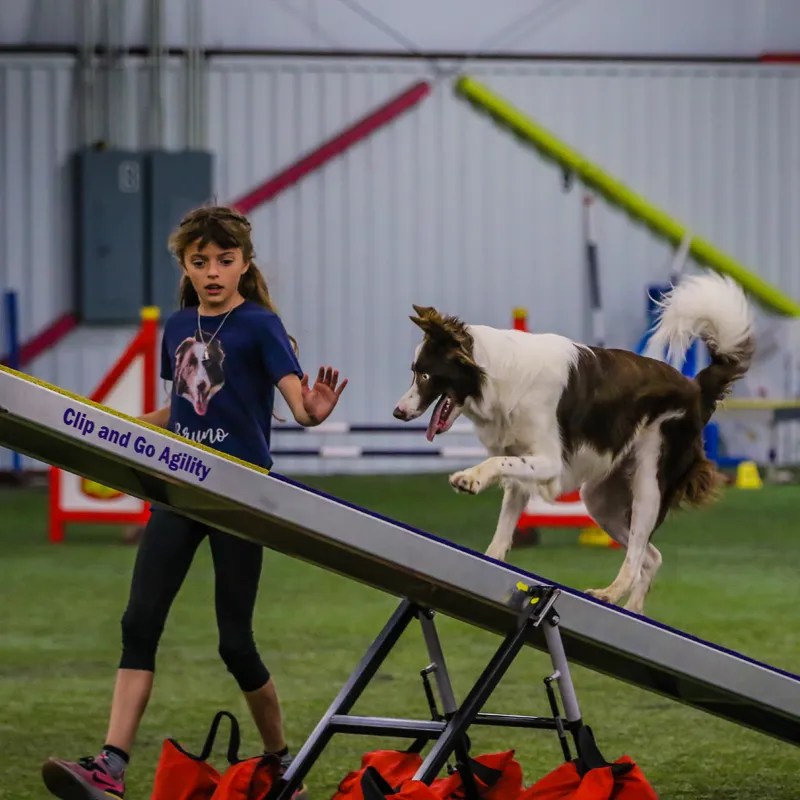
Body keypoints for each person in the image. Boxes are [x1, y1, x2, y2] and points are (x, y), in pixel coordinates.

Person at [42, 205, 348, 800]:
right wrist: (107, 427)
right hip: (179, 493)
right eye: (200, 261)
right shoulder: (178, 325)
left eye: (224, 261)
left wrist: (315, 407)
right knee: (138, 622)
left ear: (244, 264)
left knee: (235, 643)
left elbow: (303, 409)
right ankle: (110, 765)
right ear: (185, 264)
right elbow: (179, 410)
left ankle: (281, 765)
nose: (212, 271)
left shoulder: (260, 326)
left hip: (239, 497)